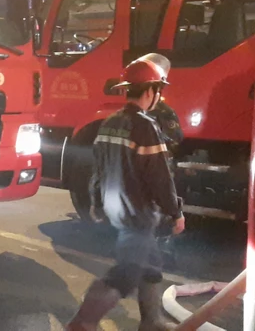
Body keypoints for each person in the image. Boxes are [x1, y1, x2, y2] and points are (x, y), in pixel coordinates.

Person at [67, 53, 184, 331]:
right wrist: (175, 212)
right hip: (138, 211)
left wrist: (95, 201)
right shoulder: (145, 125)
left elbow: (98, 167)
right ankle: (83, 323)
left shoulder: (110, 122)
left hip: (116, 207)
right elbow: (159, 177)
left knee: (151, 264)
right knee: (125, 274)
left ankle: (151, 320)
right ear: (151, 91)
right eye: (159, 89)